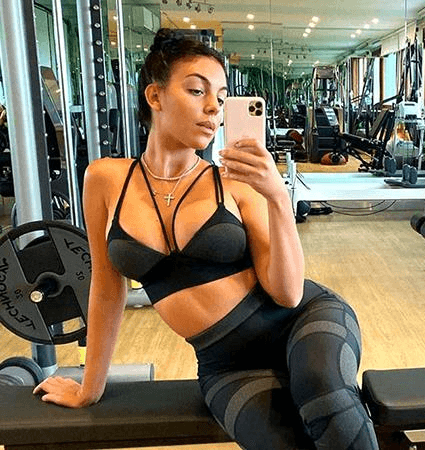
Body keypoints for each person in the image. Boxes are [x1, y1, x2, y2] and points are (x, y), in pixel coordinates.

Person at [33, 28, 379, 450]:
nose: (214, 107)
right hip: (226, 363)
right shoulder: (104, 178)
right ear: (155, 96)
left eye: (221, 96)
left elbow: (287, 294)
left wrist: (276, 196)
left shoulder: (233, 181)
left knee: (325, 399)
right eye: (197, 91)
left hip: (301, 322)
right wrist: (90, 387)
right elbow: (107, 286)